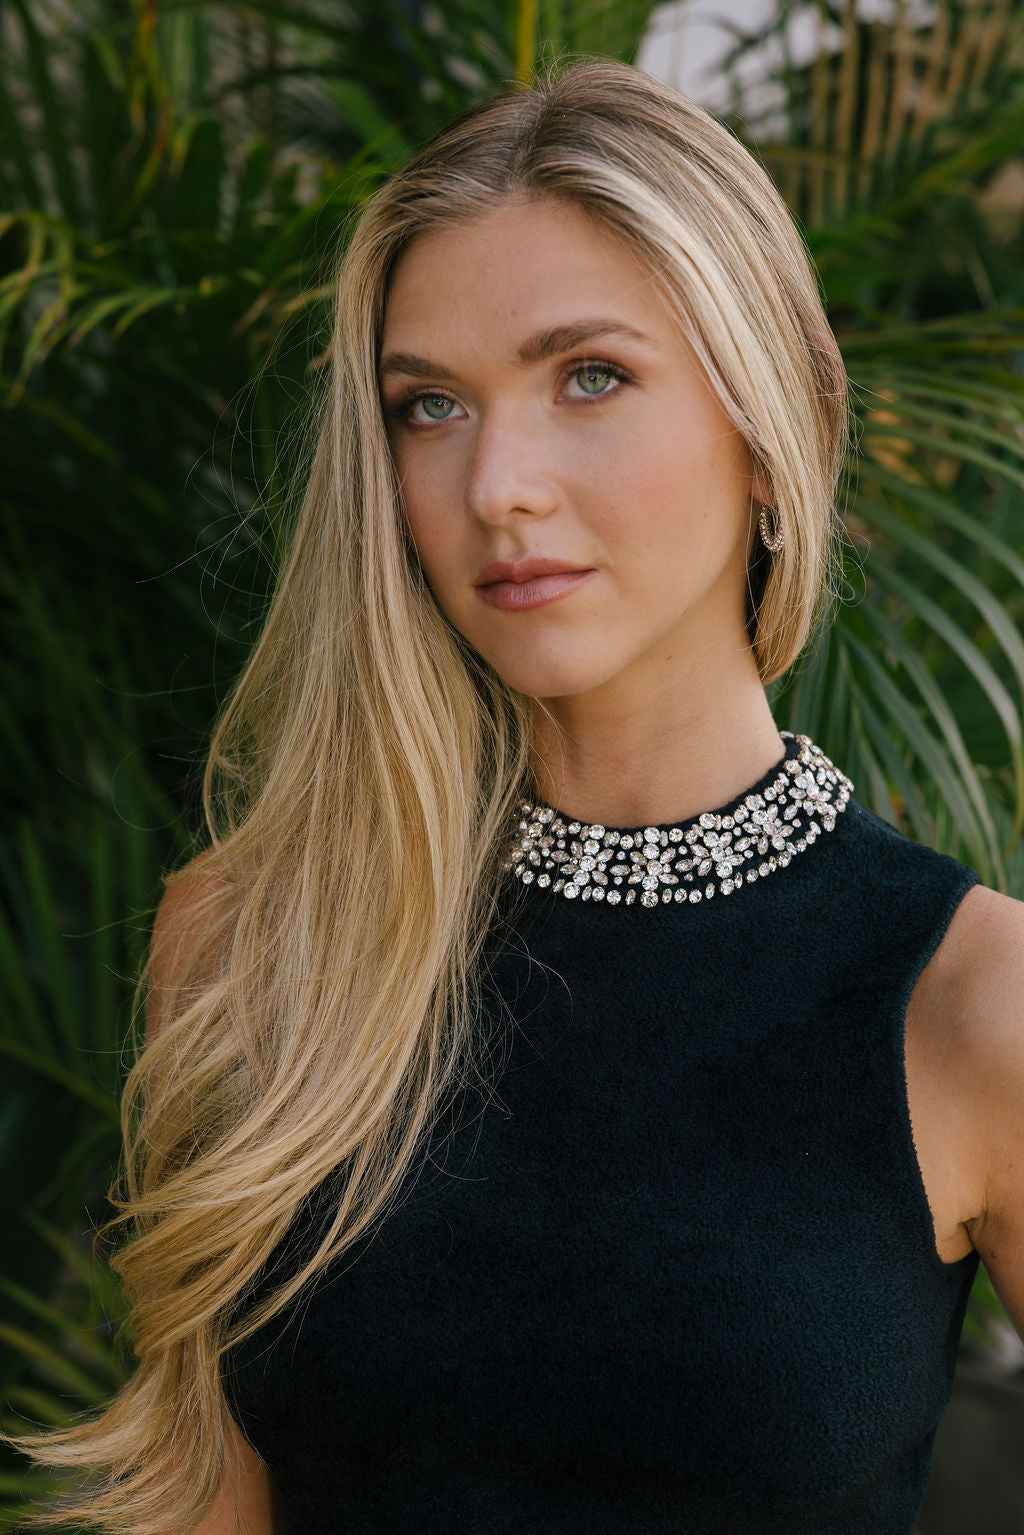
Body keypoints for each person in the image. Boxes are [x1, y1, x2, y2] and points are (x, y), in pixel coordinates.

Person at [8, 53, 1024, 1535]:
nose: (499, 484)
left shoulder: (974, 1004)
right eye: (430, 407)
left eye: (590, 376)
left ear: (774, 418)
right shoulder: (248, 945)